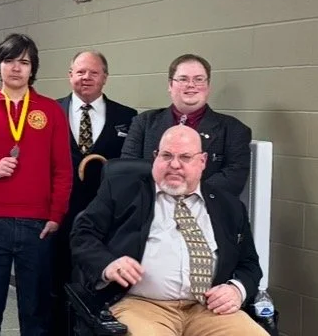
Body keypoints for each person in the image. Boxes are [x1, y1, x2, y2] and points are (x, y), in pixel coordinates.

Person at [71, 125, 267, 336]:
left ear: (202, 161)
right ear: (155, 157)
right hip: (142, 305)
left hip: (209, 309)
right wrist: (108, 264)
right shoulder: (122, 190)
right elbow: (83, 234)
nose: (174, 164)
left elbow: (250, 264)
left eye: (185, 157)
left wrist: (237, 289)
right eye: (166, 155)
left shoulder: (229, 206)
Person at [0, 33, 72, 336]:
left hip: (38, 224)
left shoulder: (50, 111)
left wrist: (56, 215)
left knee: (35, 311)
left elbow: (63, 169)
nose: (16, 68)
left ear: (33, 68)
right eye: (9, 61)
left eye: (24, 62)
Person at [52, 51, 137, 331]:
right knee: (55, 284)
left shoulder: (128, 117)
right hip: (59, 214)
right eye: (80, 72)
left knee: (100, 288)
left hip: (106, 219)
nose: (86, 77)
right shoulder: (51, 112)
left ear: (105, 77)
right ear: (70, 76)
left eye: (93, 72)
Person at [121, 54, 252, 196]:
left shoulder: (234, 130)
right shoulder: (143, 122)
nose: (191, 85)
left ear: (208, 86)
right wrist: (162, 198)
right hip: (149, 204)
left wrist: (189, 197)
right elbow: (129, 169)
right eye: (183, 79)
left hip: (207, 206)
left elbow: (234, 178)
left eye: (199, 79)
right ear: (170, 85)